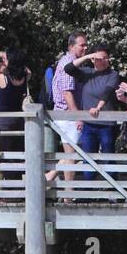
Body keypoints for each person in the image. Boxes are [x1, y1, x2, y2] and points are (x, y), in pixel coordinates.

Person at [64, 44, 121, 180]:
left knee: (108, 158)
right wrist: (88, 56)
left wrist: (98, 107)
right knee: (88, 159)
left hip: (107, 125)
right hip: (89, 124)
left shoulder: (112, 74)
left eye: (107, 58)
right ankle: (88, 193)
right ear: (94, 60)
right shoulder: (87, 73)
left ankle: (113, 192)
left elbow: (107, 93)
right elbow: (68, 68)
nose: (105, 60)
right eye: (101, 58)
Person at [48, 32, 87, 184]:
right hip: (67, 115)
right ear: (71, 46)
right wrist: (77, 116)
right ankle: (68, 195)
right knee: (72, 156)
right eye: (82, 45)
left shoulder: (70, 62)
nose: (85, 48)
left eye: (86, 44)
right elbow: (67, 93)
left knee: (74, 154)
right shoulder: (67, 63)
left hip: (67, 114)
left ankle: (50, 176)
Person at [0, 49, 32, 150]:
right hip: (18, 119)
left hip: (2, 121)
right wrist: (14, 63)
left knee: (4, 155)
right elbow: (27, 70)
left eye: (5, 59)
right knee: (17, 155)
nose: (3, 61)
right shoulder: (24, 77)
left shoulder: (2, 78)